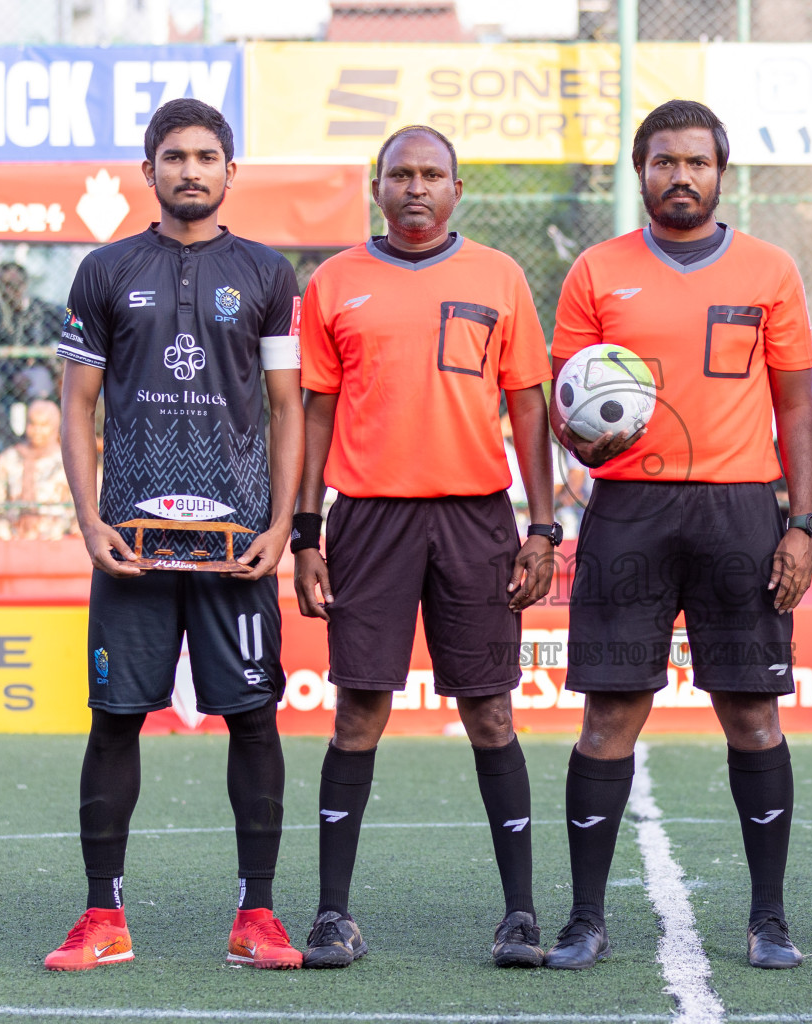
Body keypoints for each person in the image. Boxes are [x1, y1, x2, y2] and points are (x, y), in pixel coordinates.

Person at [544, 99, 812, 972]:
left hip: (741, 508)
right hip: (629, 509)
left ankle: (769, 917)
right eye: (665, 161)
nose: (681, 176)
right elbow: (567, 405)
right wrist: (579, 439)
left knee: (751, 713)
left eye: (697, 162)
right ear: (642, 172)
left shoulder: (770, 270)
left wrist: (803, 524)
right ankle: (586, 917)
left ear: (720, 173)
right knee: (608, 716)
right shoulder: (597, 271)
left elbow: (795, 405)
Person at [45, 98, 305, 972]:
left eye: (206, 157)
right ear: (147, 169)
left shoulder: (268, 273)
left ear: (232, 172)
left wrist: (279, 524)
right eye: (174, 156)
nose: (190, 170)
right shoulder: (106, 269)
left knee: (255, 719)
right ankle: (101, 917)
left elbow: (287, 410)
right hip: (131, 544)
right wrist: (89, 518)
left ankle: (257, 917)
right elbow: (76, 407)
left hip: (237, 547)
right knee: (115, 719)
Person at [291, 124, 556, 970]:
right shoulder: (334, 281)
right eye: (399, 174)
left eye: (431, 174)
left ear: (457, 189)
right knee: (359, 710)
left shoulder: (499, 276)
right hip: (367, 519)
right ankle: (333, 914)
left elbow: (528, 410)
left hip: (476, 518)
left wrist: (543, 529)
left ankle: (519, 913)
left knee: (489, 711)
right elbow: (316, 415)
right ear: (376, 188)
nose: (415, 188)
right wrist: (305, 532)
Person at [0, 261, 61, 449]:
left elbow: (69, 328)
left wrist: (56, 361)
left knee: (42, 390)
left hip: (35, 369)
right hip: (2, 372)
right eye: (6, 285)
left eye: (17, 284)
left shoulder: (42, 310)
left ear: (25, 283)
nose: (12, 290)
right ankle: (10, 443)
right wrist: (13, 375)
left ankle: (37, 439)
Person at [0, 399, 76, 540]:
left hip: (56, 540)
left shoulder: (68, 461)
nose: (37, 431)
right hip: (13, 540)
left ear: (55, 426)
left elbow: (77, 508)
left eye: (44, 425)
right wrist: (3, 529)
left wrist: (60, 530)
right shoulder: (9, 458)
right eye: (32, 424)